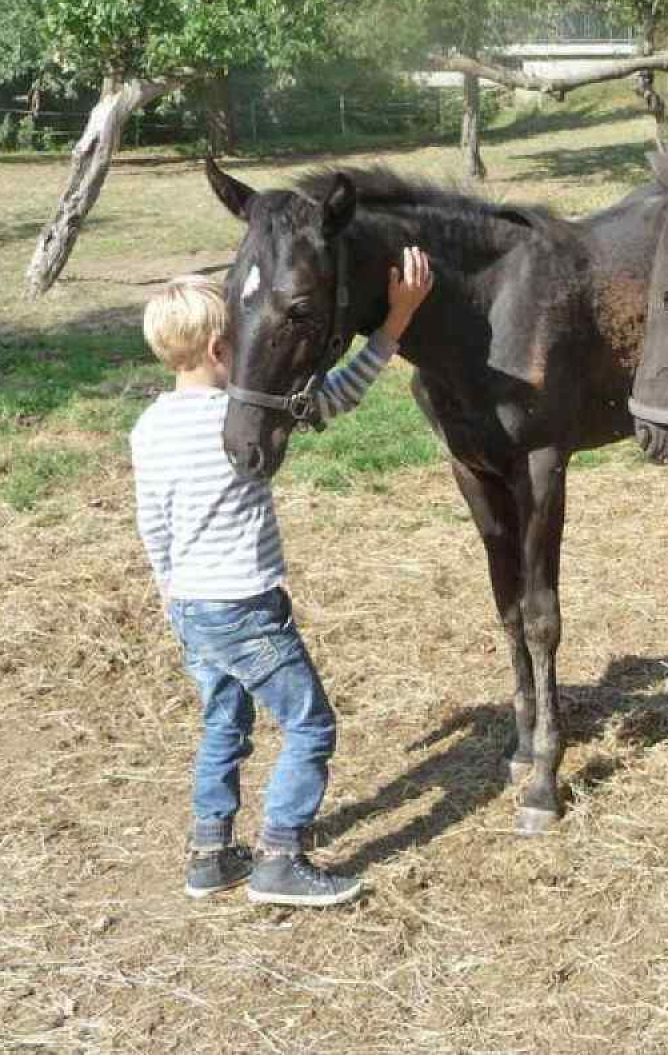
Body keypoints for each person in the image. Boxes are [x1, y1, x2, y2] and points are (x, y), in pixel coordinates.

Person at [131, 248, 433, 906]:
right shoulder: (240, 421)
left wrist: (168, 591)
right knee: (310, 724)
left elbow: (152, 524)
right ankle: (279, 857)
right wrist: (394, 325)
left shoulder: (149, 427)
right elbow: (339, 395)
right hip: (243, 606)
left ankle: (210, 854)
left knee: (224, 722)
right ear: (221, 349)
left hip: (189, 604)